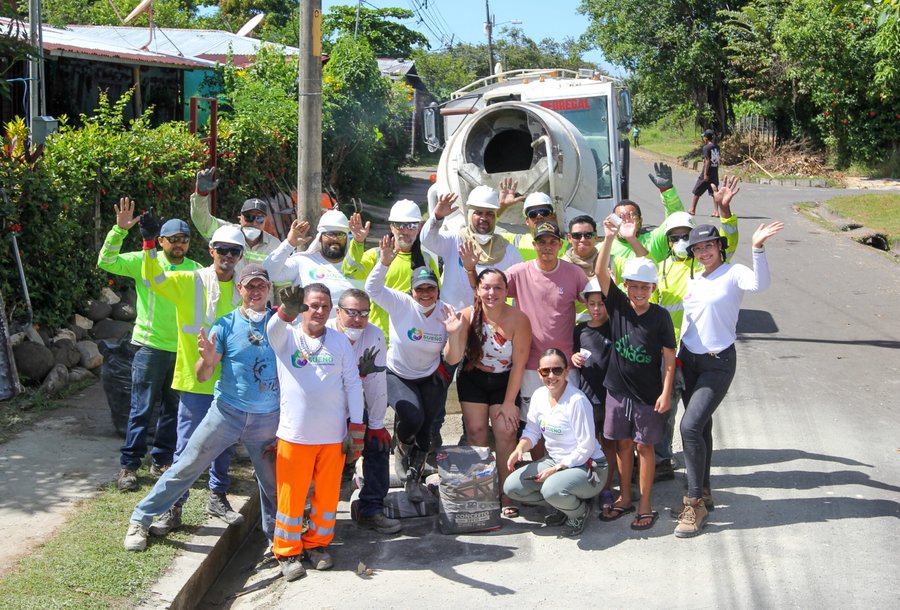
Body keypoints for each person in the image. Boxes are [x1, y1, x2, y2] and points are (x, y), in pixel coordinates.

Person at [124, 264, 280, 552]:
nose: (256, 291)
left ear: (269, 289)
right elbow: (203, 376)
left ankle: (278, 540)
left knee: (274, 484)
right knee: (185, 466)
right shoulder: (224, 325)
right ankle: (140, 519)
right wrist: (207, 360)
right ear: (239, 290)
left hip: (267, 420)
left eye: (261, 286)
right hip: (227, 413)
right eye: (250, 286)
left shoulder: (280, 325)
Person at [673, 219, 783, 538]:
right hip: (689, 360)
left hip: (717, 362)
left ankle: (693, 503)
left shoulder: (733, 273)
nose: (703, 251)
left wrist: (757, 247)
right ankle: (703, 492)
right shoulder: (694, 278)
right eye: (697, 248)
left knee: (689, 426)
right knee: (701, 427)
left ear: (720, 246)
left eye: (708, 245)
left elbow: (760, 284)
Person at [141, 214, 246, 527]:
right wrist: (148, 245)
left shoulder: (243, 289)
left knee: (224, 445)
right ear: (211, 249)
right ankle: (174, 508)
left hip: (230, 383)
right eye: (222, 250)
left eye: (234, 252)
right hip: (195, 380)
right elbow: (154, 280)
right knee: (186, 449)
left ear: (240, 256)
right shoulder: (192, 280)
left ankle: (217, 497)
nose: (227, 257)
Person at [98, 198, 202, 491]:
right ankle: (129, 466)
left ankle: (162, 461)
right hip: (149, 347)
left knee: (173, 409)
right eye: (172, 240)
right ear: (160, 240)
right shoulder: (146, 259)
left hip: (182, 349)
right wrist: (118, 231)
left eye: (184, 239)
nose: (178, 245)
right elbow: (106, 261)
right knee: (141, 407)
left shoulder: (197, 270)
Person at [267, 283, 365, 580]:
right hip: (295, 436)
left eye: (324, 306)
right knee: (291, 498)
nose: (318, 311)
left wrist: (357, 429)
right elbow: (272, 328)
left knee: (326, 497)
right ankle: (287, 552)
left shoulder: (339, 342)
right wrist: (286, 311)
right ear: (301, 307)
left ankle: (317, 546)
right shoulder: (287, 336)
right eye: (312, 305)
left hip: (332, 438)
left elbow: (353, 385)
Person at [652, 177, 741, 482]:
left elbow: (729, 238)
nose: (680, 241)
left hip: (702, 353)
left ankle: (698, 491)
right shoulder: (660, 268)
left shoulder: (704, 264)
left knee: (694, 422)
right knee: (665, 410)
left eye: (684, 236)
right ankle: (664, 460)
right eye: (673, 236)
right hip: (671, 353)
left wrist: (725, 210)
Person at [365, 235, 464, 503]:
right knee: (411, 416)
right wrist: (383, 264)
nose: (425, 294)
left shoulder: (447, 312)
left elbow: (453, 358)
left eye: (430, 289)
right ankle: (401, 449)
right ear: (411, 290)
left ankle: (413, 477)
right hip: (397, 373)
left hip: (429, 375)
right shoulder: (401, 303)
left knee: (427, 428)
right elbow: (372, 290)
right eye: (419, 289)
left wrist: (454, 334)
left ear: (437, 290)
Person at [595, 216, 676, 531]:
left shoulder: (660, 317)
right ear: (625, 285)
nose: (639, 291)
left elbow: (669, 358)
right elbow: (600, 273)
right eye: (634, 285)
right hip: (617, 390)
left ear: (653, 288)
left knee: (645, 447)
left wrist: (666, 392)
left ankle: (645, 503)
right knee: (623, 444)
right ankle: (625, 498)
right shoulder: (617, 304)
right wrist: (609, 238)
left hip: (647, 395)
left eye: (645, 287)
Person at [443, 268, 531, 517]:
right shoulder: (467, 316)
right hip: (474, 379)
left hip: (505, 380)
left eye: (498, 288)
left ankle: (507, 491)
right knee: (476, 433)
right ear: (478, 290)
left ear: (506, 291)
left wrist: (510, 402)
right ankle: (481, 491)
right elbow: (453, 358)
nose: (492, 293)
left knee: (506, 432)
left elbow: (520, 364)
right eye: (486, 287)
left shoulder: (519, 319)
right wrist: (453, 334)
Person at [504, 348, 603, 538]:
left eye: (557, 370)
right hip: (555, 460)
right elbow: (532, 431)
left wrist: (556, 469)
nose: (551, 376)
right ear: (538, 373)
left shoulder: (577, 401)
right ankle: (564, 506)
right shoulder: (539, 396)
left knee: (551, 488)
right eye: (545, 371)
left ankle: (579, 512)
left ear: (567, 371)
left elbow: (586, 447)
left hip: (588, 466)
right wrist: (519, 449)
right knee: (511, 487)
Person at [327, 288, 402, 535]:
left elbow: (376, 383)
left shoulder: (374, 335)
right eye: (351, 312)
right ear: (338, 312)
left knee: (377, 445)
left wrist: (378, 423)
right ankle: (314, 514)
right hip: (323, 409)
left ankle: (371, 508)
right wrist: (357, 374)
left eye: (363, 313)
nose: (358, 319)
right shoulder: (323, 332)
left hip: (355, 406)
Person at [505, 222, 588, 433]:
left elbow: (595, 302)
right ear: (534, 244)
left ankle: (565, 466)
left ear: (560, 245)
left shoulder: (575, 273)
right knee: (534, 424)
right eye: (542, 242)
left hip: (566, 363)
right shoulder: (518, 273)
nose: (547, 247)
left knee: (567, 422)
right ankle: (539, 466)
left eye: (552, 242)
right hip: (531, 364)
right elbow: (489, 290)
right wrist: (471, 270)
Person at [342, 200, 440, 340]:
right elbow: (349, 271)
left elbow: (436, 297)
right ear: (392, 227)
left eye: (412, 226)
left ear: (418, 228)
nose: (406, 231)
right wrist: (357, 243)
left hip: (412, 337)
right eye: (400, 225)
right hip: (378, 336)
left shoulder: (426, 259)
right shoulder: (376, 255)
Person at [190, 168, 288, 297]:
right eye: (249, 217)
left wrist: (279, 313)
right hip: (227, 304)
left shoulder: (275, 245)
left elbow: (281, 282)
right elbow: (201, 219)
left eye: (259, 218)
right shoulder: (226, 233)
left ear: (265, 220)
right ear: (240, 217)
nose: (254, 222)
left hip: (260, 307)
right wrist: (201, 195)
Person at [421, 186, 522, 310]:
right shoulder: (454, 241)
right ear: (469, 214)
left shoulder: (508, 251)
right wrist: (437, 216)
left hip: (491, 324)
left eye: (489, 213)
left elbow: (520, 290)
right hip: (453, 321)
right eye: (478, 213)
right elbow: (426, 240)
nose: (484, 218)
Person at [571, 279, 617, 511]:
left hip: (610, 397)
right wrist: (574, 358)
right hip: (587, 397)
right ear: (585, 305)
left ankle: (607, 488)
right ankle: (589, 487)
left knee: (609, 443)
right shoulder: (580, 330)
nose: (597, 308)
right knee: (587, 445)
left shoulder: (615, 327)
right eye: (592, 304)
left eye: (601, 303)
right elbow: (571, 355)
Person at [265, 212, 359, 318]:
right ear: (320, 237)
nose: (335, 239)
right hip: (305, 333)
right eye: (330, 234)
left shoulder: (358, 267)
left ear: (347, 238)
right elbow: (268, 273)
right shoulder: (302, 261)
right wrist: (289, 244)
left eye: (340, 235)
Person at [609, 163, 685, 282]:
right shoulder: (604, 248)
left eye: (631, 215)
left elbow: (677, 220)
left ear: (641, 220)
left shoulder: (654, 240)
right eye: (621, 217)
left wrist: (667, 191)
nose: (626, 220)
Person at [503, 192, 569, 261]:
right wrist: (502, 207)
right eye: (533, 214)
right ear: (527, 221)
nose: (539, 216)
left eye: (544, 212)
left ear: (554, 217)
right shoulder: (512, 242)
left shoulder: (567, 248)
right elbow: (490, 236)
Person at [562, 215, 601, 323]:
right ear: (569, 238)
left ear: (596, 237)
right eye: (577, 235)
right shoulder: (560, 266)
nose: (583, 239)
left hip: (607, 329)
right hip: (571, 331)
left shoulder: (609, 261)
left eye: (588, 235)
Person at [687, 129, 721, 217]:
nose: (703, 138)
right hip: (714, 171)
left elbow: (707, 161)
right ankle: (716, 211)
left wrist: (705, 174)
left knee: (697, 190)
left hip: (707, 172)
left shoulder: (706, 148)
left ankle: (693, 209)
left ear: (706, 138)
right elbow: (717, 160)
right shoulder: (717, 147)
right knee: (714, 192)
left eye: (704, 137)